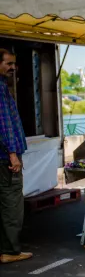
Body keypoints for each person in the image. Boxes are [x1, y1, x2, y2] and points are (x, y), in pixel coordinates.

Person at [0, 49, 32, 264]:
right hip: (5, 157)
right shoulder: (0, 89)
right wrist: (12, 154)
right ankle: (10, 251)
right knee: (11, 203)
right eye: (9, 63)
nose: (13, 67)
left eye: (14, 64)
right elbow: (4, 125)